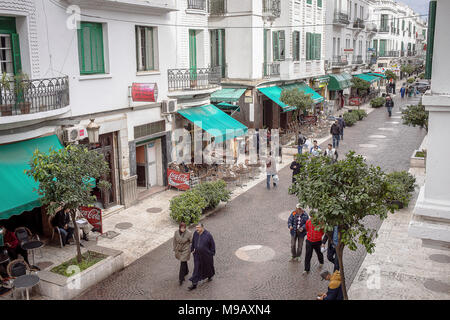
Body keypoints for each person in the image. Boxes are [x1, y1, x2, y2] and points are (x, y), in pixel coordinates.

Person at [188, 223, 215, 291]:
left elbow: (212, 245)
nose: (197, 229)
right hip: (197, 255)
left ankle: (209, 276)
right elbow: (193, 241)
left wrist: (211, 253)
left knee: (207, 267)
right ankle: (194, 284)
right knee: (196, 268)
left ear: (202, 228)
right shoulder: (195, 233)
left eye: (198, 227)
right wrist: (192, 249)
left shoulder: (208, 235)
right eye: (196, 227)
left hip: (206, 256)